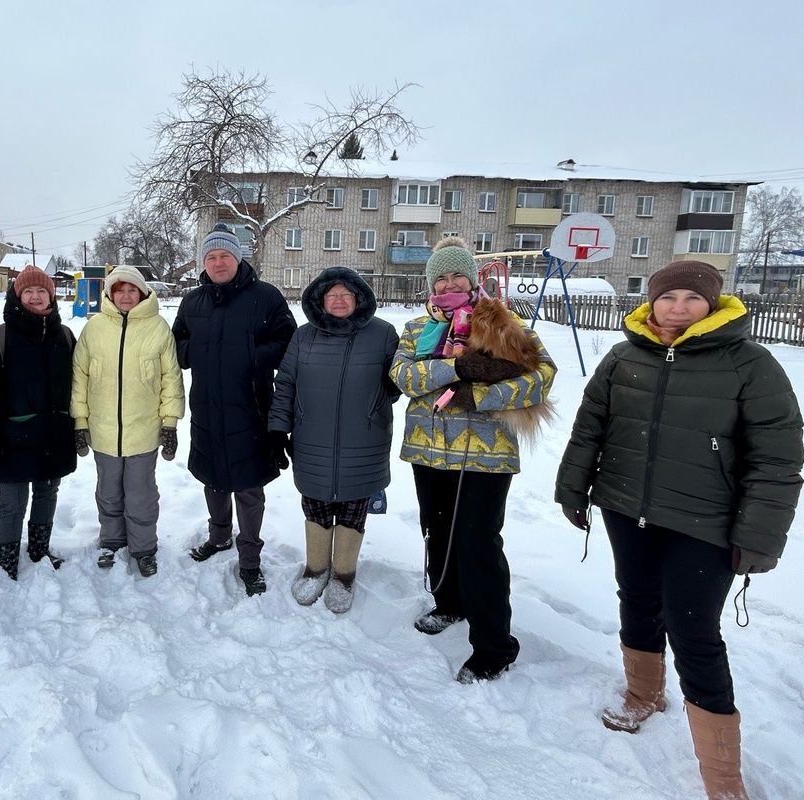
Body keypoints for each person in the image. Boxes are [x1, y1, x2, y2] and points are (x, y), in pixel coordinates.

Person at [555, 261, 802, 800]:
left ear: (712, 305)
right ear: (654, 301)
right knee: (637, 600)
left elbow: (778, 458)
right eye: (669, 297)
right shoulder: (624, 355)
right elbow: (590, 426)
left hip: (705, 521)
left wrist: (759, 533)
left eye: (693, 298)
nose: (679, 307)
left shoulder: (748, 363)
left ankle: (722, 777)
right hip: (626, 507)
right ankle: (644, 694)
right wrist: (573, 487)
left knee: (694, 632)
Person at [389, 236, 556, 682]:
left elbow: (540, 377)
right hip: (429, 448)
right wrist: (458, 368)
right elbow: (404, 375)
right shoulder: (415, 329)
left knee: (478, 544)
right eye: (440, 276)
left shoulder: (502, 324)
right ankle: (449, 603)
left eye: (457, 275)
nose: (448, 282)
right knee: (437, 530)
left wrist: (477, 396)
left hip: (483, 455)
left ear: (472, 278)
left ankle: (494, 646)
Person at [172, 223, 297, 596]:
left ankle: (250, 559)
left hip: (251, 404)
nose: (218, 262)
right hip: (207, 406)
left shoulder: (265, 297)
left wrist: (251, 357)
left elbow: (287, 340)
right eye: (211, 256)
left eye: (224, 254)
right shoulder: (193, 301)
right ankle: (219, 536)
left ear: (237, 258)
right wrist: (193, 354)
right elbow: (178, 339)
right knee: (212, 477)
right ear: (203, 263)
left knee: (247, 484)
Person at [268, 267, 399, 613]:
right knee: (316, 506)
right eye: (332, 295)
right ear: (320, 301)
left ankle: (343, 574)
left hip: (365, 441)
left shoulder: (384, 334)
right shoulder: (303, 336)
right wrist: (278, 429)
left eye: (346, 295)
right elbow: (285, 385)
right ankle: (315, 569)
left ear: (358, 299)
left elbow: (398, 384)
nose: (339, 300)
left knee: (354, 510)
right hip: (312, 440)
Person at [71, 265, 184, 577]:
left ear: (143, 292)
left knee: (141, 494)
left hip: (143, 432)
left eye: (132, 289)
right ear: (109, 293)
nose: (125, 295)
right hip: (103, 431)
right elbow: (79, 377)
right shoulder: (94, 329)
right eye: (119, 289)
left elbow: (171, 379)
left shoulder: (158, 328)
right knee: (108, 491)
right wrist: (80, 421)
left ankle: (144, 547)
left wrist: (169, 422)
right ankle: (111, 540)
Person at [0, 265, 77, 580]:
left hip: (53, 436)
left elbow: (78, 387)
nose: (35, 296)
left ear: (50, 296)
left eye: (41, 291)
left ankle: (39, 550)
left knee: (47, 493)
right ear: (17, 296)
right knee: (13, 502)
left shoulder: (65, 336)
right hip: (10, 438)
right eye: (28, 291)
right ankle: (7, 560)